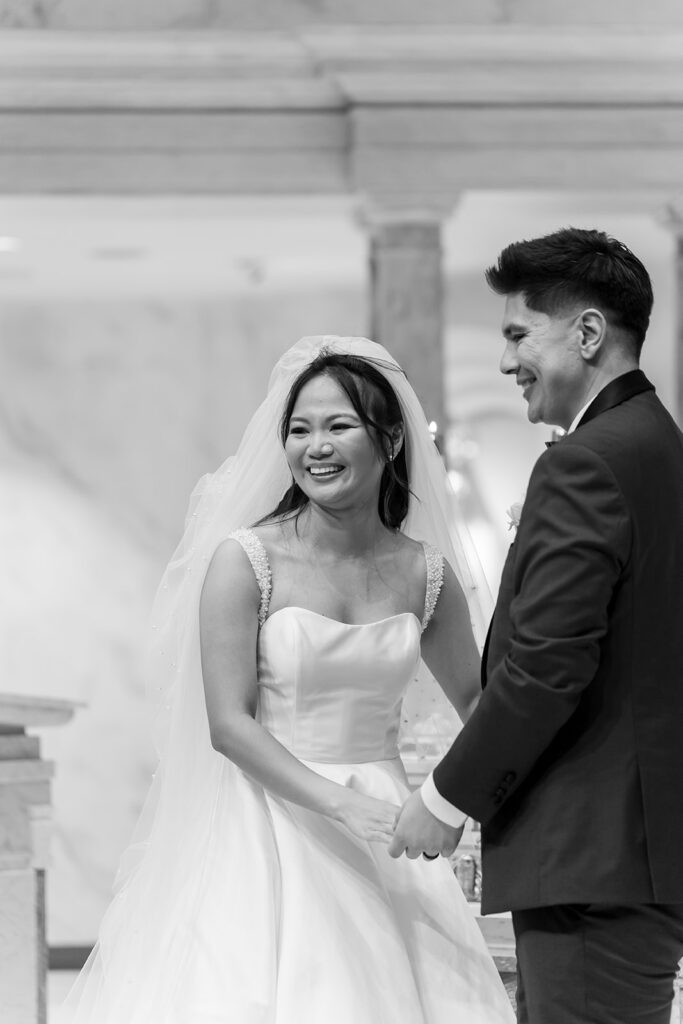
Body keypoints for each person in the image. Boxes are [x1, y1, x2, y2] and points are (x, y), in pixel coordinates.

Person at [60, 335, 514, 1023]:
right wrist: (340, 803)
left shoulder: (428, 573)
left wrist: (448, 800)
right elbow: (229, 724)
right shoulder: (246, 561)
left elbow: (480, 702)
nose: (314, 446)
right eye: (299, 430)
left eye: (337, 426)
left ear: (390, 440)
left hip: (390, 820)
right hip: (265, 822)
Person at [391, 228, 683, 1024]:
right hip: (630, 853)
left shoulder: (586, 460)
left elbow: (548, 666)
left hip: (590, 858)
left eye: (519, 333)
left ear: (587, 333)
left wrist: (446, 797)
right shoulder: (654, 445)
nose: (504, 361)